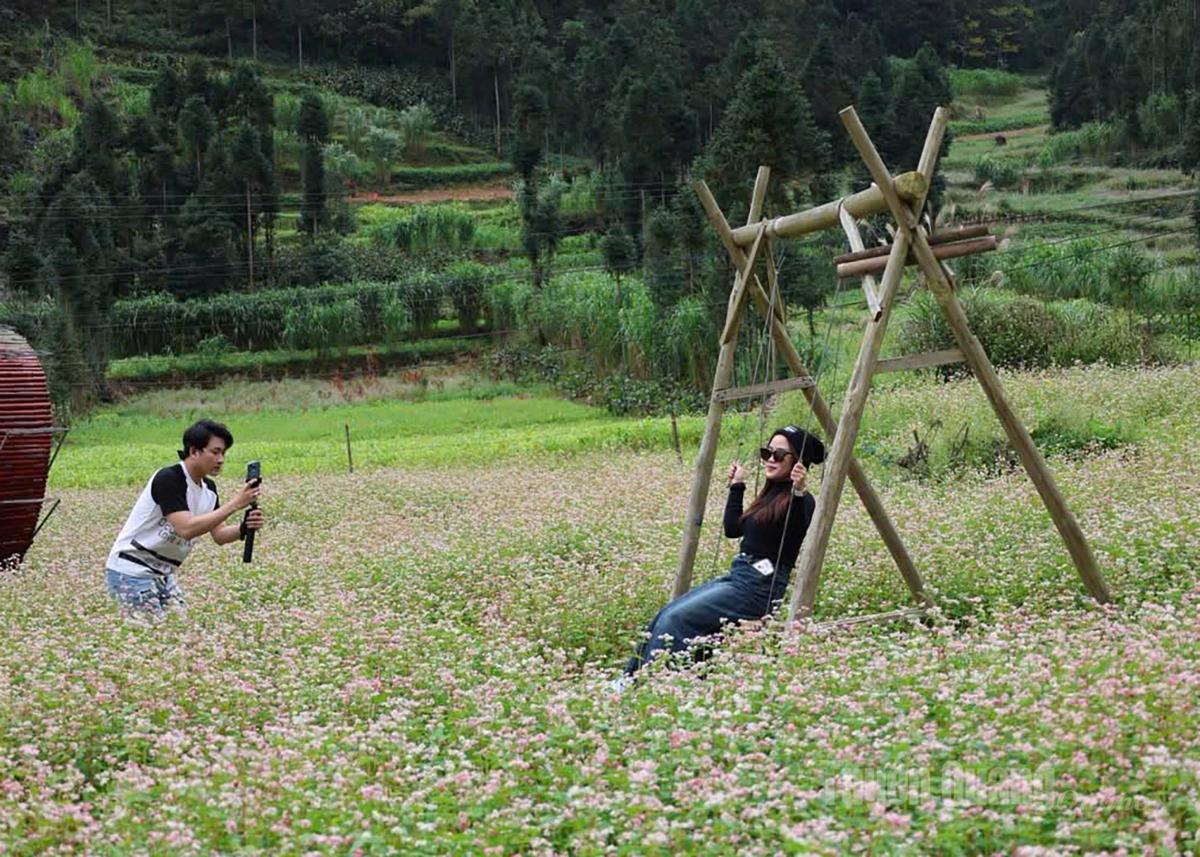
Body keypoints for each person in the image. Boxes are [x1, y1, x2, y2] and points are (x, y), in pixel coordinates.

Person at [617, 425, 825, 686]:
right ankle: (632, 681)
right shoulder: (770, 492)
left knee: (676, 620)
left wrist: (799, 490)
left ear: (799, 461)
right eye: (767, 452)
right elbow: (732, 529)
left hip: (758, 588)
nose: (770, 459)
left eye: (780, 454)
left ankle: (655, 685)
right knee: (666, 613)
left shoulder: (803, 501)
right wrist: (737, 487)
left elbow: (795, 526)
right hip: (740, 576)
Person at [104, 419, 263, 620]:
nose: (221, 459)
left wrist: (244, 528)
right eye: (215, 452)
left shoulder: (209, 489)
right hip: (131, 570)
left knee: (180, 632)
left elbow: (220, 535)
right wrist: (234, 504)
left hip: (164, 573)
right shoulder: (170, 478)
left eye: (223, 453)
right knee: (151, 638)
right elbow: (186, 529)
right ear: (194, 451)